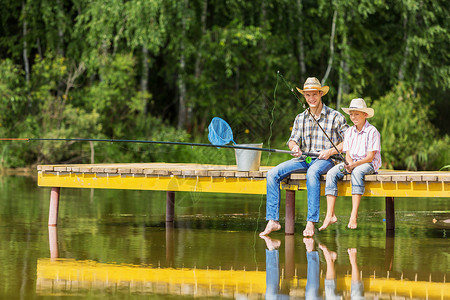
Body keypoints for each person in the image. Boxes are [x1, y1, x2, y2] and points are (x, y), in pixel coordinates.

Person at [260, 77, 349, 237]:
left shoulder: (335, 117)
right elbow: (292, 140)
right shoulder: (300, 118)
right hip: (305, 159)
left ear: (321, 93)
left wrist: (330, 151)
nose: (311, 98)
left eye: (314, 94)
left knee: (312, 173)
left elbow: (349, 140)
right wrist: (294, 147)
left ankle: (311, 222)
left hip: (327, 160)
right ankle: (273, 221)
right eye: (307, 95)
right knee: (272, 174)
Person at [319, 98, 381, 231]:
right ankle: (330, 214)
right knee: (331, 173)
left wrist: (354, 165)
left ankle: (354, 215)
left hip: (367, 164)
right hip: (352, 163)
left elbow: (370, 157)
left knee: (358, 172)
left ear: (365, 115)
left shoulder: (372, 131)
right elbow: (347, 153)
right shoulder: (349, 132)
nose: (353, 117)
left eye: (356, 114)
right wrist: (349, 163)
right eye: (351, 114)